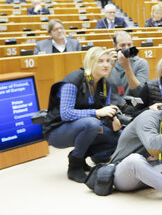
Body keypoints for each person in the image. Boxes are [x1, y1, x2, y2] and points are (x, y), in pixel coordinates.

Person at [42, 47, 122, 182]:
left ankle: (81, 156)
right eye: (100, 61)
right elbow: (66, 114)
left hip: (84, 126)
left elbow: (104, 109)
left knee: (118, 136)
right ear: (90, 62)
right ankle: (75, 165)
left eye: (108, 61)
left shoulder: (104, 83)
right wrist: (96, 113)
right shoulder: (74, 80)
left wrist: (112, 119)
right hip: (57, 131)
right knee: (92, 123)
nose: (106, 65)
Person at [106, 31, 150, 100]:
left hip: (133, 106)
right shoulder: (107, 63)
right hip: (111, 106)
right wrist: (109, 67)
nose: (127, 48)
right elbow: (100, 91)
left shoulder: (141, 63)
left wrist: (127, 67)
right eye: (123, 45)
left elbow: (140, 93)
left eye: (129, 45)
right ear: (115, 46)